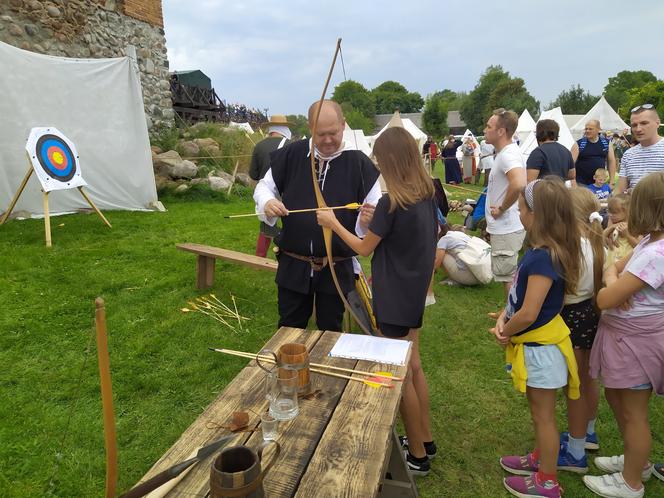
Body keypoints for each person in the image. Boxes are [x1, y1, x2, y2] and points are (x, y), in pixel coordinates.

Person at [316, 126, 438, 476]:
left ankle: (417, 455)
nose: (376, 164)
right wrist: (374, 222)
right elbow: (397, 236)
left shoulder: (391, 202)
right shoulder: (426, 194)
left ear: (390, 161)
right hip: (413, 296)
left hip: (396, 298)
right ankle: (425, 440)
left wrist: (333, 223)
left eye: (379, 159)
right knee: (413, 367)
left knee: (399, 376)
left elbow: (363, 248)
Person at [253, 100, 381, 332]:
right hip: (293, 263)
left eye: (333, 132)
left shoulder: (359, 163)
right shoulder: (292, 154)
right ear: (311, 128)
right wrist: (268, 201)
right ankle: (291, 368)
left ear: (343, 125)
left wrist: (366, 222)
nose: (328, 140)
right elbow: (263, 187)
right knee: (289, 329)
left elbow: (375, 212)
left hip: (336, 267)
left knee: (331, 329)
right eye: (321, 134)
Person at [492, 178, 582, 498]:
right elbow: (521, 301)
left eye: (521, 209)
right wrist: (504, 316)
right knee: (538, 412)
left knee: (544, 417)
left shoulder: (544, 257)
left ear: (536, 214)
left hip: (542, 351)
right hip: (537, 347)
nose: (518, 215)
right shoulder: (541, 252)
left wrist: (506, 330)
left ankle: (547, 480)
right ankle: (539, 459)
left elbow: (529, 313)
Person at [583, 172, 664, 498]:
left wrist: (611, 276)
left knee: (633, 413)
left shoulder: (657, 255)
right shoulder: (649, 241)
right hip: (623, 338)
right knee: (616, 397)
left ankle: (632, 482)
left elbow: (604, 299)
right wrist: (614, 275)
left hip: (636, 343)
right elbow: (617, 272)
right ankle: (636, 460)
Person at [557, 187, 605, 472]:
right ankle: (588, 432)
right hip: (590, 315)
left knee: (573, 386)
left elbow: (564, 293)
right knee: (588, 379)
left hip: (573, 318)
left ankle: (575, 450)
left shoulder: (573, 248)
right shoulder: (597, 242)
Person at [484, 108, 527, 303]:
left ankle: (510, 318)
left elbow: (518, 183)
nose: (485, 130)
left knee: (508, 277)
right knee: (509, 275)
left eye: (489, 126)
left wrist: (501, 209)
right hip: (506, 226)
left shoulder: (508, 155)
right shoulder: (505, 153)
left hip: (507, 227)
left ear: (501, 131)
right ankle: (510, 314)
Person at [249, 114, 293, 257]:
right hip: (288, 192)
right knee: (291, 225)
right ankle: (289, 255)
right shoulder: (291, 145)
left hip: (266, 194)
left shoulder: (259, 146)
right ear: (285, 128)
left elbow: (253, 174)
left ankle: (260, 257)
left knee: (266, 227)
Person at [615, 105, 664, 193]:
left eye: (644, 123)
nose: (638, 129)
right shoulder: (628, 154)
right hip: (634, 206)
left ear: (657, 123)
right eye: (634, 125)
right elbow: (620, 191)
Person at [526, 119, 576, 185]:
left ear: (539, 133)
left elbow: (530, 181)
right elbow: (572, 175)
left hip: (544, 193)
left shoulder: (538, 152)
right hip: (561, 191)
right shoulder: (565, 151)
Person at [572, 119, 617, 188]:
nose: (587, 131)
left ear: (598, 129)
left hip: (600, 184)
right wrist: (573, 182)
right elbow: (571, 164)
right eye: (586, 129)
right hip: (582, 184)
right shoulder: (579, 144)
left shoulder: (606, 143)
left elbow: (611, 161)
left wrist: (612, 181)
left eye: (590, 129)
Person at [604, 194, 639, 269]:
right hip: (611, 263)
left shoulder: (634, 226)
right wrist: (610, 228)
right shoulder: (613, 223)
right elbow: (601, 238)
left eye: (614, 213)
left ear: (627, 212)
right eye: (609, 212)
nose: (610, 215)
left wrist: (627, 235)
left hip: (626, 265)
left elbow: (639, 246)